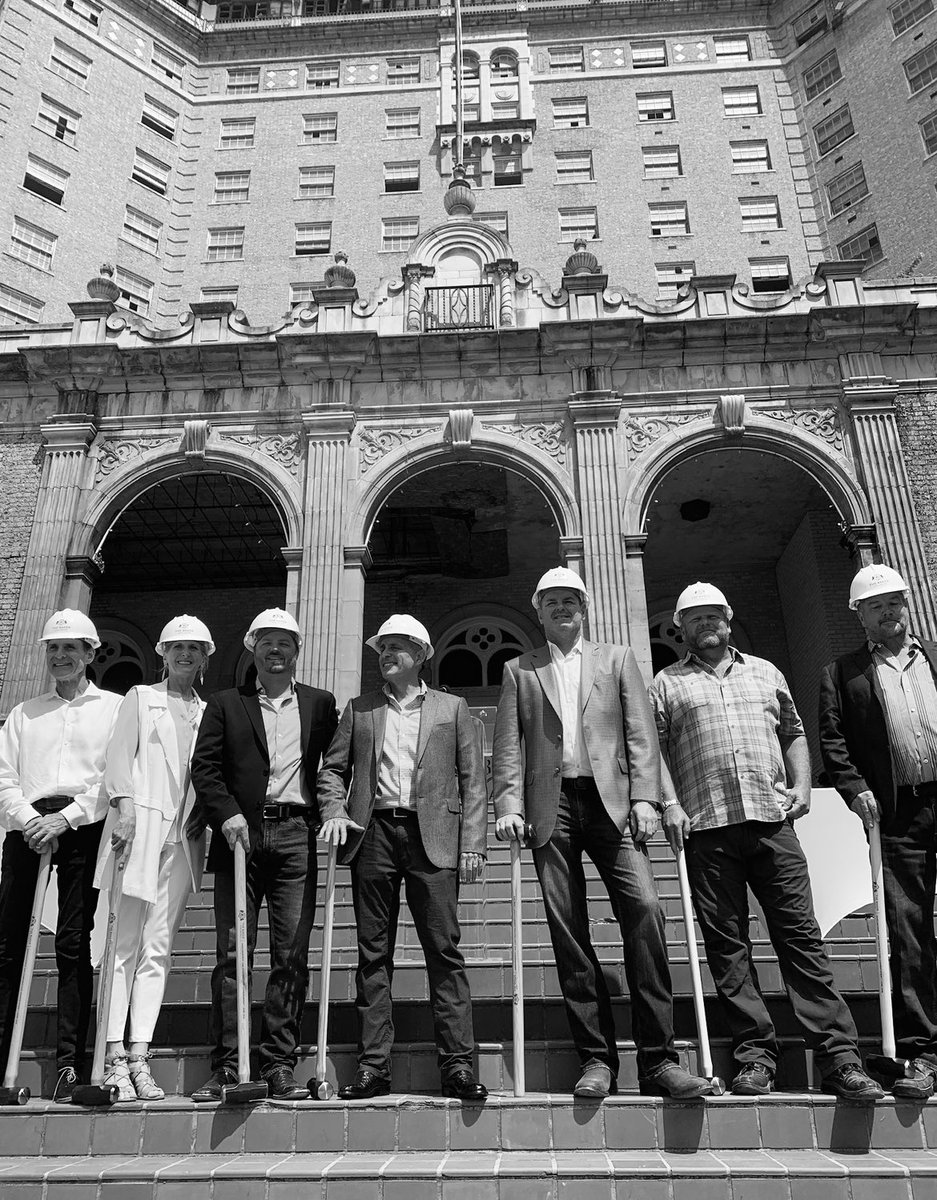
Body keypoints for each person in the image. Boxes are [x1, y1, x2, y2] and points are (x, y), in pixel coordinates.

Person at [652, 582, 882, 1100]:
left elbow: (795, 732)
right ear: (680, 628)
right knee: (728, 947)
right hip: (707, 828)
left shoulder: (765, 671)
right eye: (695, 617)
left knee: (799, 937)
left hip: (771, 822)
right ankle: (755, 1059)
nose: (706, 624)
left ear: (729, 620)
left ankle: (840, 1059)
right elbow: (655, 752)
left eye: (715, 615)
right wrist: (670, 804)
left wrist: (802, 786)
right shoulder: (665, 683)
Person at [491, 567, 709, 1099]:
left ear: (584, 608)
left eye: (571, 599)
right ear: (538, 611)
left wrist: (644, 796)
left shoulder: (617, 659)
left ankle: (659, 1059)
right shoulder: (519, 669)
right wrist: (508, 803)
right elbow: (508, 745)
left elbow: (640, 732)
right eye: (551, 601)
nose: (562, 608)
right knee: (569, 930)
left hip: (613, 803)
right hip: (551, 805)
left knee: (647, 911)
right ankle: (596, 1060)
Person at [318, 614, 488, 1100]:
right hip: (372, 835)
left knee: (444, 952)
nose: (386, 654)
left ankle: (457, 1066)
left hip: (433, 836)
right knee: (373, 954)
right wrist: (334, 809)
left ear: (421, 653)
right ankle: (373, 1068)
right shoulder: (360, 709)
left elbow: (473, 781)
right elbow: (332, 770)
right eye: (382, 646)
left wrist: (472, 844)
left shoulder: (453, 709)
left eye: (397, 646)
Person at [190, 607, 337, 1102]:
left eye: (286, 644)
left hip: (296, 834)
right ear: (253, 648)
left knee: (290, 955)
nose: (276, 652)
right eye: (267, 643)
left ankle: (278, 1064)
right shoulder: (225, 704)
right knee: (233, 954)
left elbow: (332, 766)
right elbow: (205, 768)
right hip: (240, 836)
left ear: (298, 651)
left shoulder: (320, 704)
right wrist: (226, 814)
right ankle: (230, 1065)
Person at [819, 563, 937, 1099]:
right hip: (896, 815)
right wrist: (853, 786)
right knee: (908, 930)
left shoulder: (935, 655)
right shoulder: (842, 674)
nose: (889, 611)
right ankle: (924, 1050)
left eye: (895, 601)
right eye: (876, 604)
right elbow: (834, 743)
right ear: (859, 615)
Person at [0, 610, 122, 1101]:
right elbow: (4, 775)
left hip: (82, 828)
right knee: (7, 945)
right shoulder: (24, 712)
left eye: (71, 647)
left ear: (91, 654)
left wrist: (65, 818)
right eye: (53, 647)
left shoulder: (113, 708)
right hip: (26, 828)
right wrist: (30, 818)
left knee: (73, 942)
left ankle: (70, 1065)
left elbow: (111, 778)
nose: (60, 656)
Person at [93, 615, 215, 1101]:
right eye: (176, 646)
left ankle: (140, 1053)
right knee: (122, 947)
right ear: (162, 653)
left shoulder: (208, 710)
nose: (185, 654)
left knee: (157, 950)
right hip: (138, 831)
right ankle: (111, 1055)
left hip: (182, 839)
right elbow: (119, 758)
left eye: (194, 648)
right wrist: (123, 808)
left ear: (206, 658)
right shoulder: (140, 699)